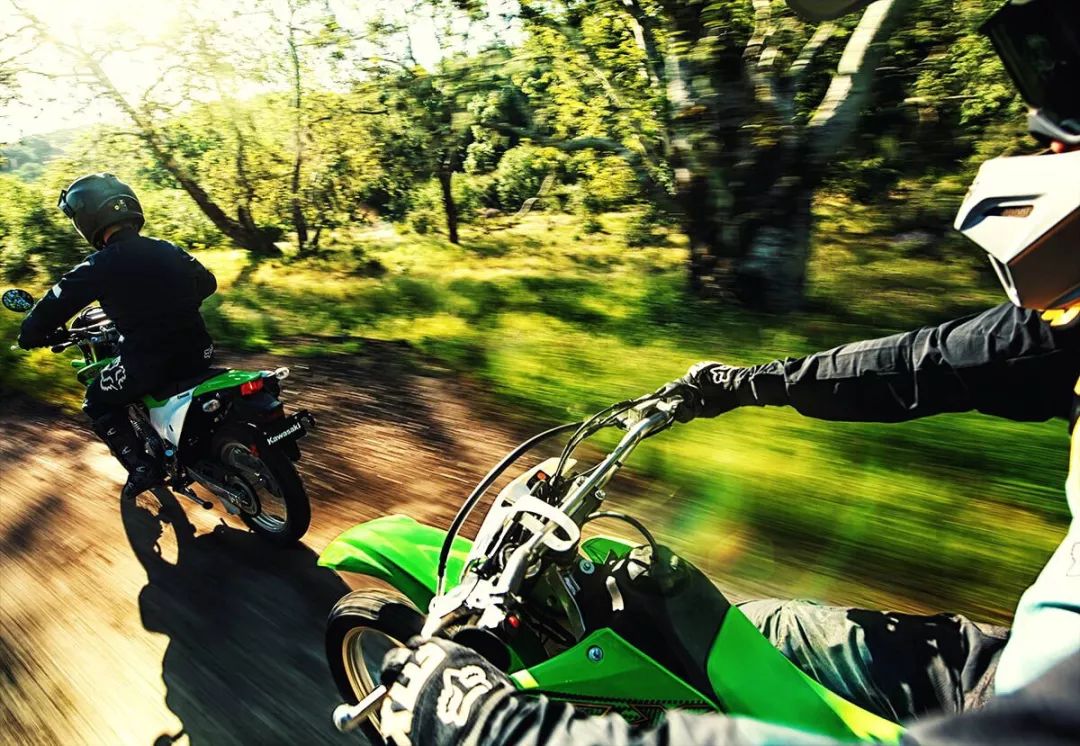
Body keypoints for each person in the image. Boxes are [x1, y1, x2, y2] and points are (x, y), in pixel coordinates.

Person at [375, 0, 1080, 743]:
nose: (1038, 137)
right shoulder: (1068, 331)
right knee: (751, 631)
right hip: (992, 666)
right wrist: (746, 383)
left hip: (1009, 715)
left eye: (1065, 119)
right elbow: (929, 363)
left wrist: (503, 730)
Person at [18, 173, 218, 500]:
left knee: (97, 400)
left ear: (86, 218)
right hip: (200, 351)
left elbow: (52, 305)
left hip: (148, 364)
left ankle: (142, 468)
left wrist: (31, 334)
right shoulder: (167, 249)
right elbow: (207, 283)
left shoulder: (97, 266)